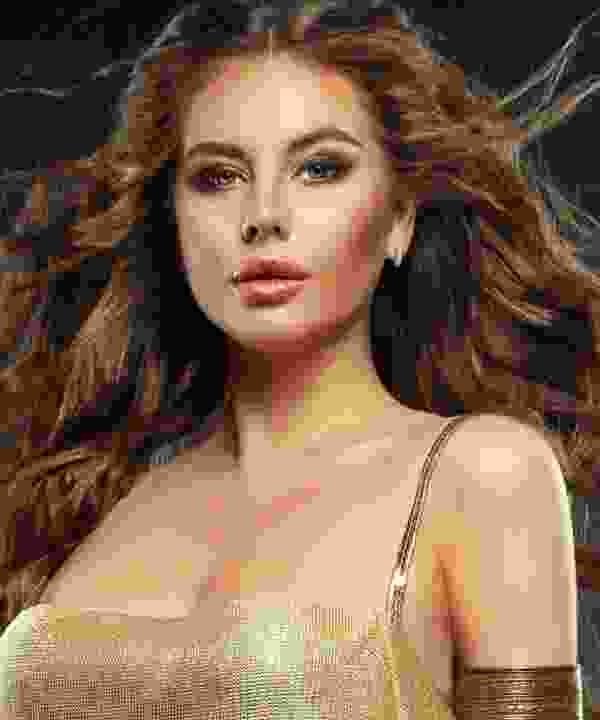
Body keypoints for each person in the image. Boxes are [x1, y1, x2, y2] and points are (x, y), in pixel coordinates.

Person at [0, 1, 599, 717]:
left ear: (399, 218)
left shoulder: (480, 476)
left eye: (320, 168)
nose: (264, 215)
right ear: (173, 220)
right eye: (218, 177)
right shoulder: (91, 491)